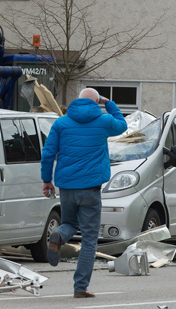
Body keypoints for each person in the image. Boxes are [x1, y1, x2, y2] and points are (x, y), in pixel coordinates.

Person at [41, 88, 127, 298]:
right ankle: (80, 287)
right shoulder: (104, 121)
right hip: (90, 189)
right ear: (96, 102)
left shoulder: (61, 123)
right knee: (89, 239)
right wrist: (109, 103)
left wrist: (46, 180)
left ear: (77, 101)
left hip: (67, 186)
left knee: (69, 223)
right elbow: (123, 125)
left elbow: (48, 153)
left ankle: (58, 235)